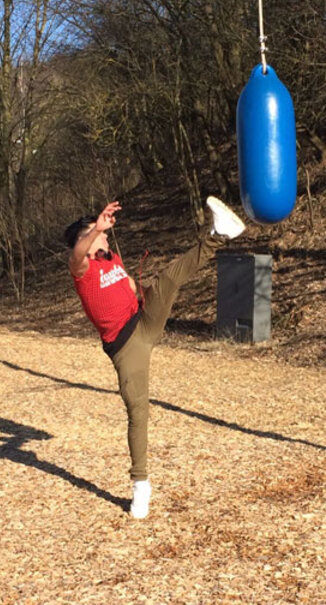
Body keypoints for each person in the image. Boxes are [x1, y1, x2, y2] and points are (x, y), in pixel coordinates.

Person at [64, 196, 246, 519]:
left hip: (143, 318)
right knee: (138, 411)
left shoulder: (112, 259)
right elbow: (78, 253)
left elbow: (131, 285)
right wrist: (96, 229)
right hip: (125, 347)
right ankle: (141, 486)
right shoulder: (83, 270)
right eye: (98, 233)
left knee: (169, 279)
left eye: (104, 231)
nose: (105, 235)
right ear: (85, 240)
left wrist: (149, 293)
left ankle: (219, 234)